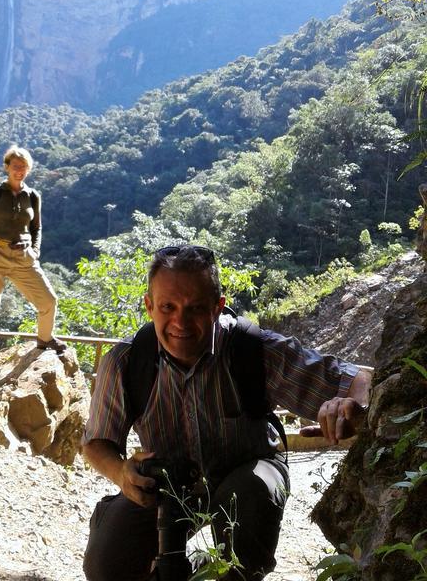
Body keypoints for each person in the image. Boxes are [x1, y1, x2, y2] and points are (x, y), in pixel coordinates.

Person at [82, 245, 371, 581]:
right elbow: (96, 442)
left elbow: (357, 379)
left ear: (217, 308)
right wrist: (121, 473)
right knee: (106, 564)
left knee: (251, 497)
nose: (180, 322)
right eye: (167, 307)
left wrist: (352, 407)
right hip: (168, 482)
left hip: (247, 467)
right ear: (149, 306)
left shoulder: (253, 351)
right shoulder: (127, 364)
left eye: (195, 309)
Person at [0, 145, 66, 378]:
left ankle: (44, 340)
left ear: (28, 169)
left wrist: (35, 251)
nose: (19, 171)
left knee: (48, 301)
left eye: (23, 167)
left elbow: (37, 227)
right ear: (7, 167)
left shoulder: (33, 196)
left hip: (24, 257)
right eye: (15, 167)